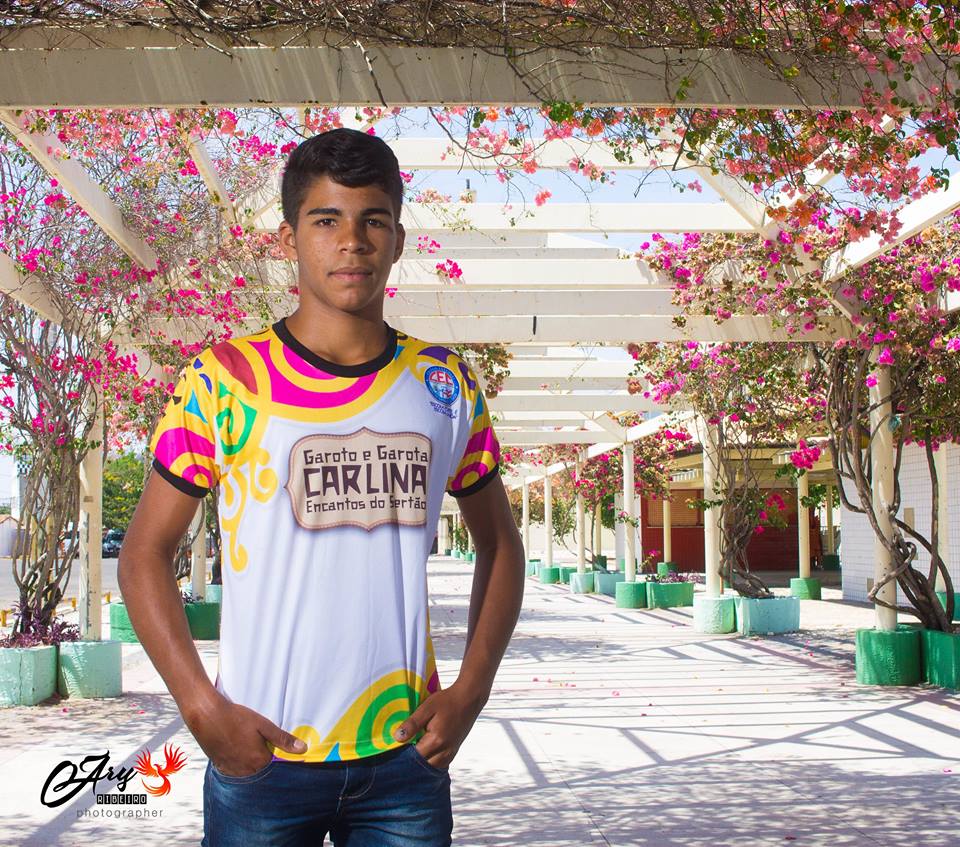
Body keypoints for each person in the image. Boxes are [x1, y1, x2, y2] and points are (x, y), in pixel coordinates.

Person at [119, 127, 526, 846]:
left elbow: (500, 544)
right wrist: (201, 709)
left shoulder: (445, 383)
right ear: (289, 239)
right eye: (326, 220)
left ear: (397, 240)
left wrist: (472, 689)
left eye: (374, 221)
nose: (352, 242)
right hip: (262, 756)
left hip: (404, 756)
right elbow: (144, 552)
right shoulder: (223, 380)